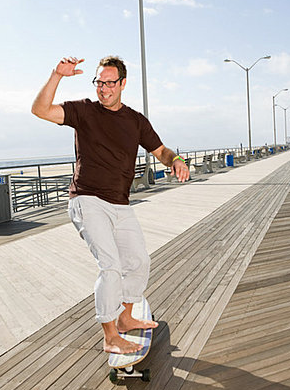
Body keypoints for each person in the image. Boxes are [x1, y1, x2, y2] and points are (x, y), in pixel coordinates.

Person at [32, 55, 190, 354]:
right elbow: (40, 110)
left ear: (123, 83)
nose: (103, 89)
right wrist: (56, 75)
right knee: (111, 266)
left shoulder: (135, 121)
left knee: (139, 262)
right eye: (99, 83)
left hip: (120, 203)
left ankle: (126, 317)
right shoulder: (83, 111)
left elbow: (161, 151)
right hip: (87, 199)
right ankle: (109, 335)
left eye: (110, 83)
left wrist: (177, 160)